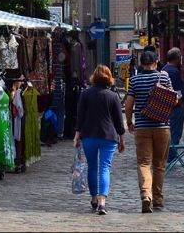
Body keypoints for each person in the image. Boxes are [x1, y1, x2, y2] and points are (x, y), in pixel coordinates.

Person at [124, 50, 175, 213]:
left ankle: (146, 195)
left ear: (141, 64)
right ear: (155, 63)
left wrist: (130, 122)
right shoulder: (164, 77)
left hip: (142, 127)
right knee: (159, 165)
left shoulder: (134, 80)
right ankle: (158, 199)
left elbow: (129, 105)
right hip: (162, 126)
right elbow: (173, 99)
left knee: (144, 163)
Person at [73, 65, 126, 215]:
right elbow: (118, 121)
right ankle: (102, 202)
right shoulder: (113, 96)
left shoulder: (85, 94)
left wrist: (77, 136)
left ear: (94, 77)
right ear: (109, 78)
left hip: (89, 135)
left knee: (92, 167)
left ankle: (94, 198)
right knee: (104, 168)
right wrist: (122, 139)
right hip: (108, 137)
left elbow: (80, 117)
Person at [162, 48, 184, 161]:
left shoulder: (164, 69)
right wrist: (181, 104)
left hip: (167, 106)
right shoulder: (174, 71)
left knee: (170, 130)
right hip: (176, 107)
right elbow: (177, 92)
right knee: (175, 132)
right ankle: (171, 156)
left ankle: (168, 155)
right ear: (177, 58)